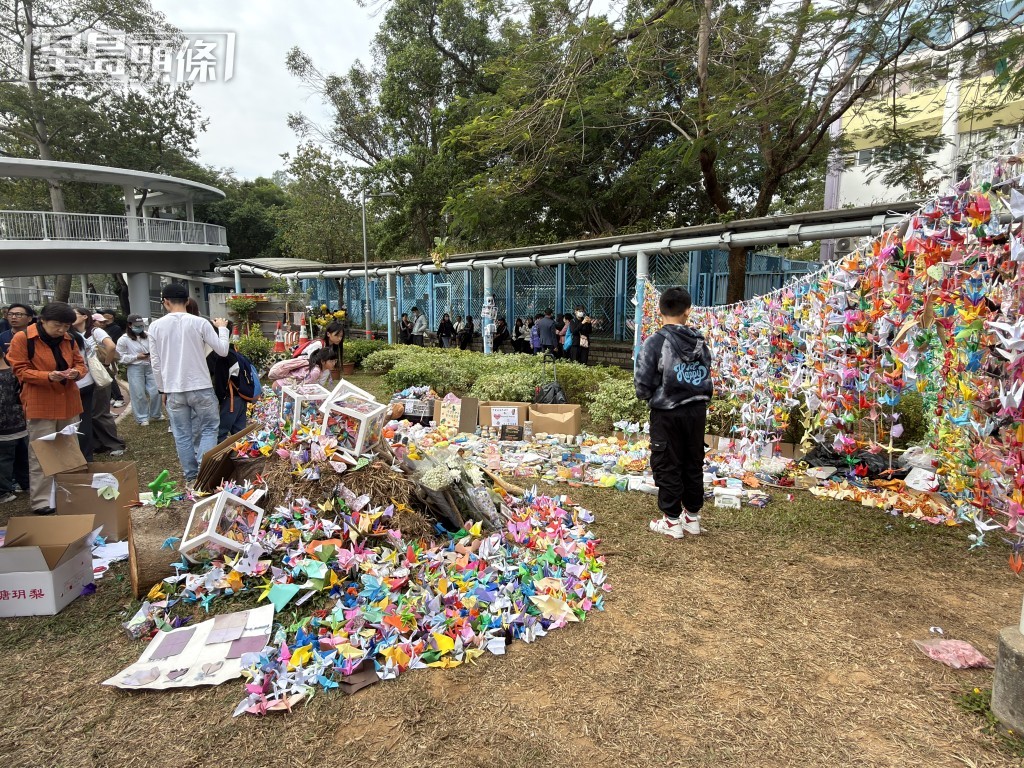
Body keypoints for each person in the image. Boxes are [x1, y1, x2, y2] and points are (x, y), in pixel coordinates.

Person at [634, 287, 714, 540]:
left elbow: (642, 384)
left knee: (667, 462)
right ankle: (692, 517)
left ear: (659, 310)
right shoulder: (700, 342)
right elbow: (707, 371)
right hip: (696, 411)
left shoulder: (655, 342)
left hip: (667, 412)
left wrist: (653, 395)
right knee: (693, 461)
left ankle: (671, 521)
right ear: (688, 311)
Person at [7, 302, 87, 514]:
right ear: (42, 320)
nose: (61, 330)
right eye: (57, 325)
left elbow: (80, 364)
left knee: (68, 450)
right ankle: (42, 500)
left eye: (66, 326)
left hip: (68, 402)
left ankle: (68, 495)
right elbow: (20, 370)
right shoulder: (23, 338)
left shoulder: (69, 339)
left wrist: (76, 373)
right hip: (40, 403)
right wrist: (47, 376)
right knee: (41, 453)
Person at [149, 283, 230, 484]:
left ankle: (191, 477)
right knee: (209, 428)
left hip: (173, 388)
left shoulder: (155, 326)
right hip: (201, 386)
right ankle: (205, 471)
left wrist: (162, 389)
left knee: (182, 435)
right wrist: (222, 329)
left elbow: (155, 363)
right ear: (187, 301)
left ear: (165, 302)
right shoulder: (200, 323)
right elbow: (223, 351)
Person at [73, 309, 125, 457]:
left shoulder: (95, 331)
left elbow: (111, 346)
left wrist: (106, 365)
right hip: (84, 379)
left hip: (98, 376)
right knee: (88, 414)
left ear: (85, 317)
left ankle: (114, 444)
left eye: (74, 314)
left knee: (100, 412)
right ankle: (98, 444)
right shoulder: (73, 334)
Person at [207, 324, 260, 441]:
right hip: (242, 398)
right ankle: (240, 452)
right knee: (239, 433)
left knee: (220, 433)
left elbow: (220, 382)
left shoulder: (222, 356)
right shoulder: (236, 353)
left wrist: (218, 401)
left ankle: (222, 454)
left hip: (230, 400)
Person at [116, 314, 163, 426]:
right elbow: (120, 357)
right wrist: (136, 357)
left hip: (149, 365)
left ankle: (156, 413)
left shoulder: (148, 336)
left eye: (141, 325)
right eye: (137, 326)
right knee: (138, 393)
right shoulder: (123, 339)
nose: (140, 327)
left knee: (156, 391)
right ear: (130, 325)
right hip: (135, 367)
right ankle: (142, 417)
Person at [0, 349, 29, 504]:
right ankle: (26, 483)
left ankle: (3, 492)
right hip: (21, 424)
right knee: (23, 458)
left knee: (4, 461)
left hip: (3, 430)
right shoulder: (15, 373)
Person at [268, 346, 338, 391]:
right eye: (331, 361)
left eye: (335, 361)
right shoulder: (316, 371)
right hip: (282, 387)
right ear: (322, 361)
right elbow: (304, 388)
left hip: (282, 386)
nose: (334, 363)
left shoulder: (316, 368)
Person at [98, 309, 126, 407]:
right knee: (105, 377)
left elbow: (111, 345)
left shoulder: (115, 328)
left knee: (110, 377)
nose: (102, 317)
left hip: (109, 357)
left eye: (104, 314)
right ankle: (112, 397)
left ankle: (119, 398)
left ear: (110, 316)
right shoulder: (102, 329)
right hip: (102, 357)